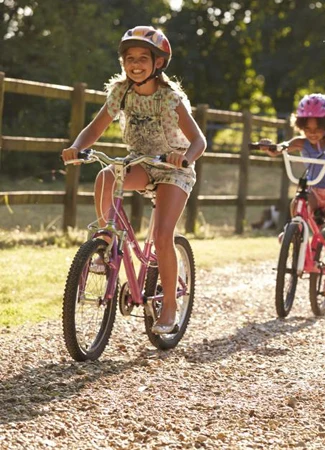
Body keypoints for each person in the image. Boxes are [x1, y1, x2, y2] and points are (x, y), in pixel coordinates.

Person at [61, 26, 206, 334]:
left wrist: (186, 158)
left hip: (172, 168)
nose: (135, 64)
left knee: (163, 236)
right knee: (105, 177)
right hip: (140, 162)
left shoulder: (170, 99)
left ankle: (169, 307)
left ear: (158, 63)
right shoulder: (120, 92)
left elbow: (199, 140)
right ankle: (107, 241)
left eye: (143, 57)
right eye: (129, 58)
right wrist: (78, 147)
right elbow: (96, 127)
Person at [260, 93, 325, 298]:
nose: (312, 134)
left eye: (317, 129)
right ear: (300, 126)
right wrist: (271, 147)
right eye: (307, 129)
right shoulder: (301, 142)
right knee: (299, 200)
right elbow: (281, 147)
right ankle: (294, 230)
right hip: (314, 191)